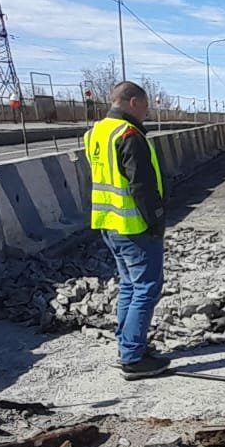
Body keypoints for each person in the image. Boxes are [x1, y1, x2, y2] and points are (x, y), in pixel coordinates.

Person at [83, 81, 169, 379]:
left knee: (131, 286)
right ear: (133, 102)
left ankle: (128, 346)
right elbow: (141, 185)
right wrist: (156, 222)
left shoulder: (96, 132)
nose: (147, 112)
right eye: (145, 106)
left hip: (108, 222)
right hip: (134, 226)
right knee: (147, 287)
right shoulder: (129, 135)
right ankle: (132, 357)